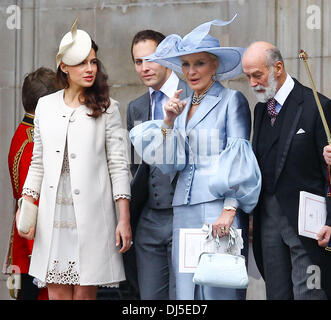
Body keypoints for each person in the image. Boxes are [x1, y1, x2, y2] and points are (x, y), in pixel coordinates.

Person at [130, 17, 261, 300]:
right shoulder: (182, 106)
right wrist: (167, 121)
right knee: (187, 295)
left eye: (199, 63)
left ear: (215, 65)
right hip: (183, 210)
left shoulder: (231, 100)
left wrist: (230, 209)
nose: (191, 71)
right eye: (186, 64)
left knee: (218, 290)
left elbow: (239, 158)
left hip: (218, 209)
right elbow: (169, 164)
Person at [16, 20, 132, 300]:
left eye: (93, 61)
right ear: (64, 67)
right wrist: (27, 203)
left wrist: (124, 218)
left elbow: (119, 165)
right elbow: (38, 162)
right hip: (53, 216)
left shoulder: (108, 108)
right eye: (81, 63)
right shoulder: (46, 105)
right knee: (56, 293)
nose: (90, 68)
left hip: (92, 215)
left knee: (84, 293)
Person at [242, 41, 331, 299]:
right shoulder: (260, 110)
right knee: (277, 294)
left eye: (257, 75)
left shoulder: (317, 106)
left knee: (309, 295)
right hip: (267, 223)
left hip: (309, 226)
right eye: (247, 77)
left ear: (278, 67)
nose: (252, 83)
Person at [126, 29, 191, 300]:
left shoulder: (193, 94)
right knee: (149, 298)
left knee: (185, 299)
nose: (144, 68)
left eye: (151, 59)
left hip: (187, 214)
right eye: (138, 62)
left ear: (167, 58)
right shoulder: (136, 107)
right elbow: (135, 166)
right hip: (149, 219)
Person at [3, 67, 58, 300]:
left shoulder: (28, 132)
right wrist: (39, 257)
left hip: (26, 245)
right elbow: (31, 202)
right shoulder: (32, 140)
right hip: (33, 248)